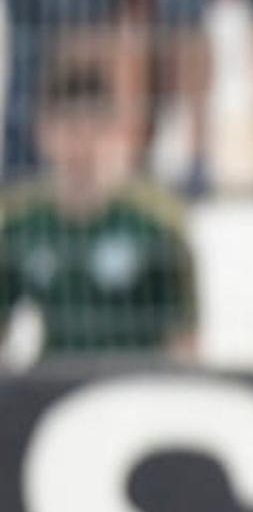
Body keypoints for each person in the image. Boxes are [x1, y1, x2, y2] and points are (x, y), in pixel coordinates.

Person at [0, 62, 195, 364]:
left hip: (137, 386)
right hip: (53, 390)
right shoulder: (19, 225)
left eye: (95, 128)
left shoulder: (155, 224)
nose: (82, 145)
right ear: (43, 132)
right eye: (70, 128)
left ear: (116, 132)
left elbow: (184, 343)